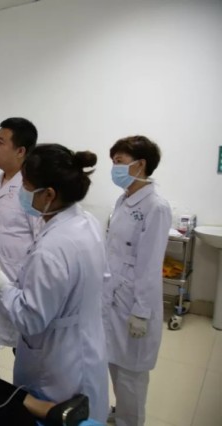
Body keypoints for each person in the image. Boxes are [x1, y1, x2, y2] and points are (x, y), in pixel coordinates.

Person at [0, 144, 109, 422]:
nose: (21, 193)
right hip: (85, 343)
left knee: (57, 416)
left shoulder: (52, 248)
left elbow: (30, 319)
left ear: (49, 194)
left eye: (26, 186)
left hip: (57, 366)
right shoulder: (86, 222)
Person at [102, 136, 172, 426]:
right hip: (114, 298)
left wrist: (141, 312)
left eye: (119, 161)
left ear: (140, 164)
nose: (114, 168)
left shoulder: (156, 207)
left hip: (134, 301)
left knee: (132, 373)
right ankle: (121, 412)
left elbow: (150, 264)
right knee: (115, 362)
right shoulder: (124, 199)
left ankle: (130, 421)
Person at [0, 117, 40, 371]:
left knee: (27, 359)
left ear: (20, 151)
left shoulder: (30, 188)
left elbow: (41, 239)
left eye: (1, 142)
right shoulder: (0, 181)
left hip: (21, 286)